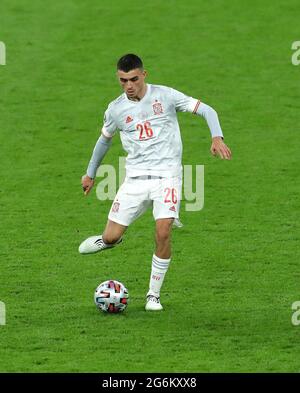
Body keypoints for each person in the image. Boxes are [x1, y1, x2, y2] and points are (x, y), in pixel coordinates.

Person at [79, 54, 231, 311]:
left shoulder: (166, 96)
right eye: (123, 80)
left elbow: (207, 109)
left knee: (163, 230)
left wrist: (217, 137)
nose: (129, 85)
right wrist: (90, 173)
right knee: (112, 236)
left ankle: (153, 295)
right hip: (135, 179)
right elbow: (104, 140)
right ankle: (107, 241)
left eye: (134, 79)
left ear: (144, 75)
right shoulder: (115, 109)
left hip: (167, 177)